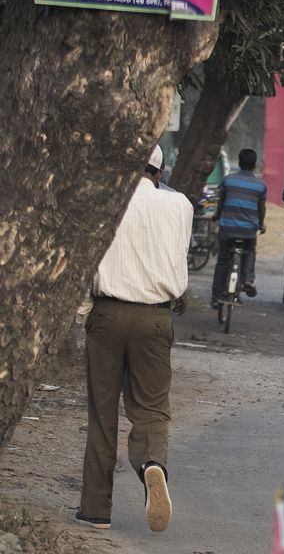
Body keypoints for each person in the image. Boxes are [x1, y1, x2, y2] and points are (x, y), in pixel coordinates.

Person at [78, 144, 190, 533]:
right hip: (155, 318)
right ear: (158, 173)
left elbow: (87, 263)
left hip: (107, 314)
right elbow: (179, 262)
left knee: (102, 415)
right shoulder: (180, 206)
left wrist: (83, 313)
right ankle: (152, 463)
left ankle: (96, 511)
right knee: (152, 408)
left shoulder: (102, 202)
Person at [211, 148, 267, 303]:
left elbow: (221, 202)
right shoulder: (260, 186)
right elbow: (261, 208)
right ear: (254, 165)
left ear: (240, 163)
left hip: (227, 229)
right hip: (248, 230)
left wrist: (217, 216)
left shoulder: (228, 180)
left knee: (223, 261)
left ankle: (216, 296)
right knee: (249, 252)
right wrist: (261, 224)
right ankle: (247, 279)